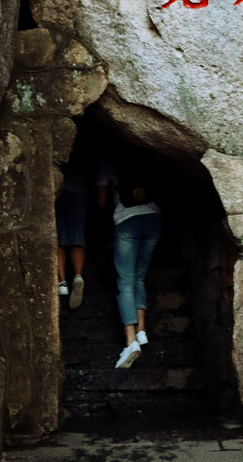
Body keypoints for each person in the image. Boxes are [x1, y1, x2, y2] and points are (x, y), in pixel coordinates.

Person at [97, 151, 162, 369]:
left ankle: (130, 341)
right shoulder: (143, 156)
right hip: (153, 218)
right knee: (139, 277)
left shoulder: (108, 161)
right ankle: (142, 330)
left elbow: (102, 201)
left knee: (125, 281)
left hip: (127, 221)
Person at [55, 151, 90, 309]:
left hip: (59, 191)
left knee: (58, 239)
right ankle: (78, 275)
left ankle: (62, 282)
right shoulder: (84, 150)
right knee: (77, 238)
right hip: (80, 192)